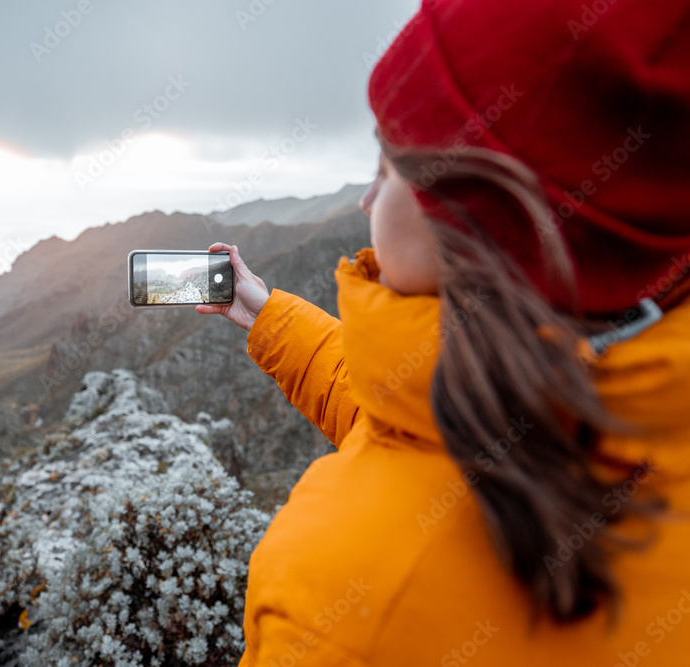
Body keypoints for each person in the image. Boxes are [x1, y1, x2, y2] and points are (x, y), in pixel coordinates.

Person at [196, 0, 690, 664]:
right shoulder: (635, 381)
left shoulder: (343, 603)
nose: (368, 200)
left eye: (389, 165)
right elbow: (424, 418)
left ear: (478, 214)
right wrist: (266, 312)